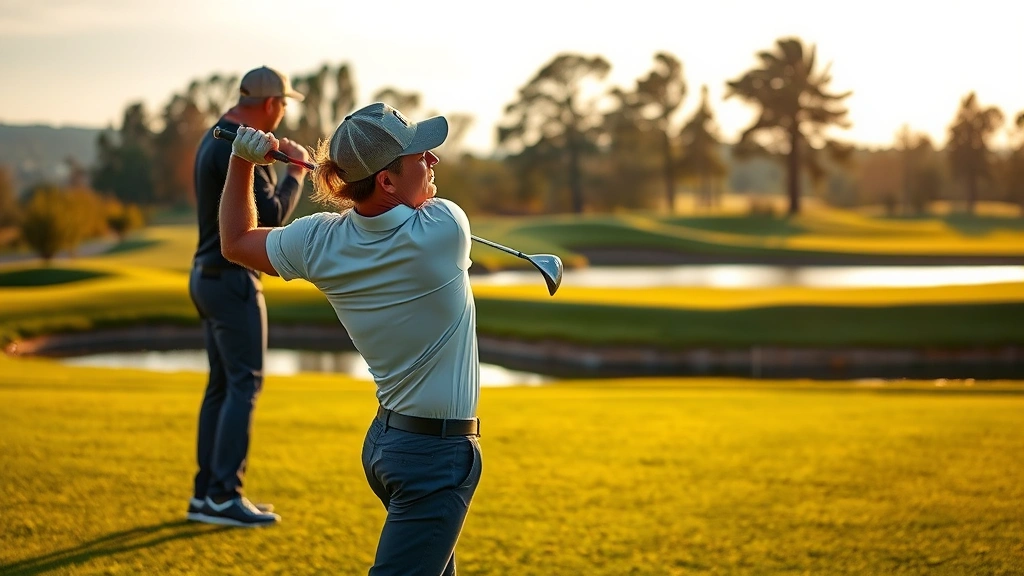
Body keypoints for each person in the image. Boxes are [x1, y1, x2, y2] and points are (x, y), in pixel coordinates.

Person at [220, 103, 482, 575]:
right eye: (420, 155)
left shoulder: (318, 242)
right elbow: (410, 212)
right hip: (434, 458)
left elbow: (235, 241)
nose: (433, 161)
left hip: (389, 444)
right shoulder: (445, 228)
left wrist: (241, 163)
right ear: (386, 181)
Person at [186, 66, 308, 527]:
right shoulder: (244, 144)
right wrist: (295, 171)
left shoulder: (215, 133)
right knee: (244, 384)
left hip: (204, 277)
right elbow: (269, 217)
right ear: (273, 103)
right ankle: (223, 495)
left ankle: (205, 495)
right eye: (283, 104)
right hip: (233, 282)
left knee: (221, 385)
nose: (282, 113)